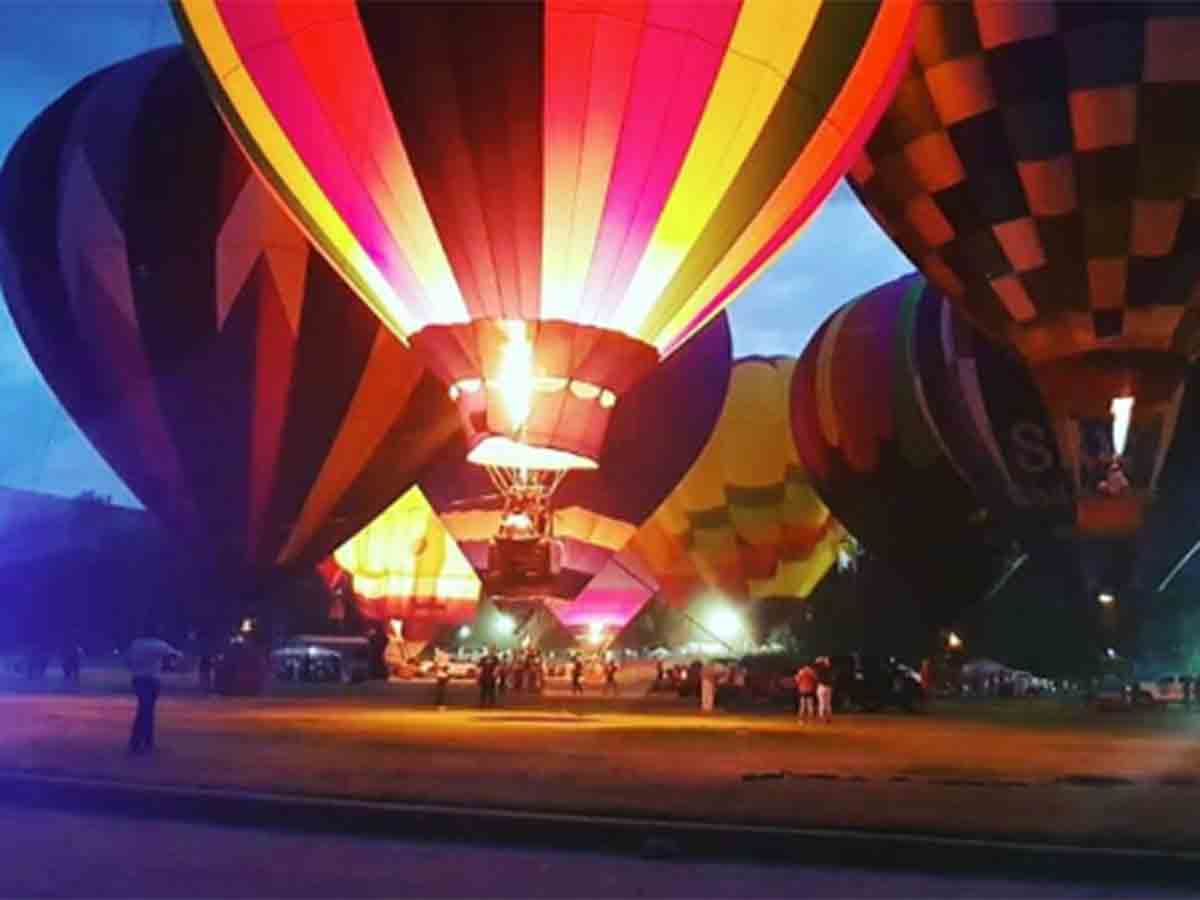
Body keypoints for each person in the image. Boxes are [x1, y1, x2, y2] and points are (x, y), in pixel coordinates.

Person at [125, 633, 181, 755]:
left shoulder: (136, 643)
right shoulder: (158, 644)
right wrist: (171, 665)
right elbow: (176, 654)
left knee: (144, 710)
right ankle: (142, 743)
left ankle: (141, 743)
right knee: (146, 711)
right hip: (151, 680)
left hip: (138, 679)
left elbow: (127, 660)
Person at [815, 657, 835, 724]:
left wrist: (822, 660)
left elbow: (817, 677)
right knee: (828, 703)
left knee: (822, 703)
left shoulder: (819, 669)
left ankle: (822, 718)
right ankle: (828, 718)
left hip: (822, 687)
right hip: (828, 687)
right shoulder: (830, 669)